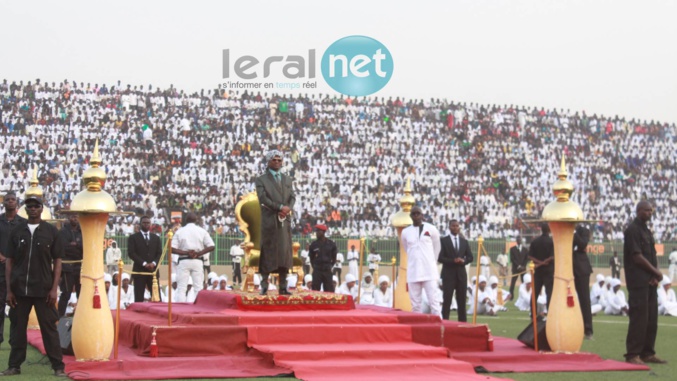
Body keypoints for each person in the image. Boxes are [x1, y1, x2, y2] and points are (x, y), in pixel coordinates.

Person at [1, 195, 66, 376]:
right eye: (29, 206)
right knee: (17, 329)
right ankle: (14, 366)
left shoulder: (52, 232)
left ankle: (58, 366)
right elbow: (9, 261)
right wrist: (9, 290)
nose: (33, 208)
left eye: (36, 206)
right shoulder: (17, 231)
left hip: (44, 290)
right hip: (20, 289)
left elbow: (58, 261)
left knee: (49, 329)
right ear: (26, 209)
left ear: (41, 208)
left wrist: (54, 289)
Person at [623, 201, 666, 365]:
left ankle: (647, 352)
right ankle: (633, 354)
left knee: (651, 318)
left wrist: (655, 275)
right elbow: (637, 257)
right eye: (647, 210)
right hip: (638, 281)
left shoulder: (647, 231)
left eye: (651, 210)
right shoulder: (633, 230)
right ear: (639, 211)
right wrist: (656, 272)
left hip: (650, 282)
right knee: (639, 318)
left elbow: (652, 256)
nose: (650, 213)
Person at [255, 150, 295, 296]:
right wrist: (279, 207)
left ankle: (283, 286)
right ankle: (264, 285)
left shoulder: (287, 179)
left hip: (284, 220)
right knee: (269, 251)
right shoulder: (261, 180)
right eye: (274, 160)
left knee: (284, 252)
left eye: (279, 159)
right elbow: (262, 198)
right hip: (270, 220)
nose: (277, 162)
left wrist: (287, 208)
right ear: (268, 161)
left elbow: (292, 197)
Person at [400, 206, 441, 316]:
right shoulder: (405, 232)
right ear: (410, 216)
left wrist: (432, 262)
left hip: (429, 271)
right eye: (414, 214)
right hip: (413, 271)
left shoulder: (431, 229)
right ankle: (417, 331)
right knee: (415, 305)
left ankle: (440, 329)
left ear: (422, 215)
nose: (416, 215)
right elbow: (406, 248)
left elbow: (437, 247)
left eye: (418, 213)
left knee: (434, 302)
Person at [0, 192, 26, 352]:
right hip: (0, 270)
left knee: (17, 309)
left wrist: (13, 258)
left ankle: (15, 341)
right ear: (3, 202)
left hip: (17, 271)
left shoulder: (22, 223)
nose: (10, 202)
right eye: (8, 199)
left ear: (17, 203)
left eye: (13, 200)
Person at [171, 213, 215, 302]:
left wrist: (186, 252)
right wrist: (199, 253)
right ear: (196, 220)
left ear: (186, 220)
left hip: (184, 260)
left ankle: (180, 310)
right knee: (198, 287)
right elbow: (212, 246)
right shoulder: (202, 231)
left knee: (181, 287)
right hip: (197, 260)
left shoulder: (180, 231)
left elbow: (171, 248)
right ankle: (198, 309)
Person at [438, 219, 473, 321]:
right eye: (453, 226)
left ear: (459, 227)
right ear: (449, 227)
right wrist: (453, 260)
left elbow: (470, 257)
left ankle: (463, 324)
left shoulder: (464, 242)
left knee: (461, 301)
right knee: (447, 300)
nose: (455, 228)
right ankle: (445, 322)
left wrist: (463, 261)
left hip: (461, 275)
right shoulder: (444, 241)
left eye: (457, 226)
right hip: (448, 275)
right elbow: (440, 258)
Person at [128, 216, 162, 303]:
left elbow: (159, 253)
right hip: (139, 271)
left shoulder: (156, 238)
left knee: (156, 296)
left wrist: (153, 263)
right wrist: (144, 263)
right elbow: (131, 253)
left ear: (150, 224)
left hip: (153, 271)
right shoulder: (133, 238)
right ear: (140, 224)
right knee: (139, 297)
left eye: (148, 223)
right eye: (144, 223)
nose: (146, 225)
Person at [58, 214, 83, 317]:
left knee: (81, 294)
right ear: (69, 218)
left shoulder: (82, 231)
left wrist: (75, 245)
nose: (75, 219)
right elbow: (63, 248)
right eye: (73, 216)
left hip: (80, 266)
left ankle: (81, 317)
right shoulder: (63, 232)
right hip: (67, 266)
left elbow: (84, 247)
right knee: (66, 293)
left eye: (77, 217)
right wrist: (76, 247)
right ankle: (58, 317)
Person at [573, 225, 594, 339]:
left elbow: (583, 244)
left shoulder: (583, 231)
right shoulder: (560, 229)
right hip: (566, 268)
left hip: (581, 269)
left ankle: (588, 330)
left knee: (584, 300)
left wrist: (573, 233)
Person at [529, 223, 554, 314]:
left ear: (541, 230)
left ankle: (533, 314)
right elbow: (552, 257)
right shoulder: (552, 242)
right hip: (549, 271)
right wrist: (544, 262)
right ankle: (550, 313)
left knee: (534, 293)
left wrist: (539, 263)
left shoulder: (535, 241)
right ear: (549, 230)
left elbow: (530, 256)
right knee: (549, 293)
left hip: (538, 271)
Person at [309, 224, 337, 292]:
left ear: (323, 232)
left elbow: (334, 258)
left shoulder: (331, 244)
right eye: (316, 231)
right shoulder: (313, 244)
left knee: (329, 290)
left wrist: (330, 266)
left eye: (319, 231)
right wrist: (315, 267)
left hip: (327, 270)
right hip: (317, 270)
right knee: (315, 290)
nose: (317, 233)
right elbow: (311, 258)